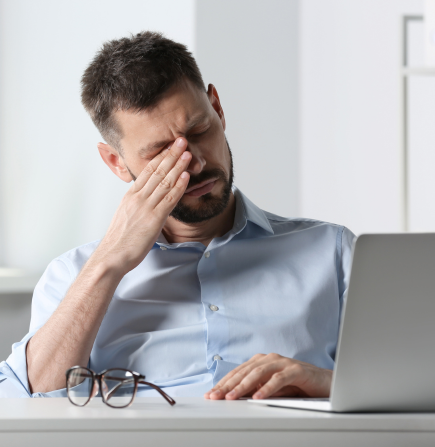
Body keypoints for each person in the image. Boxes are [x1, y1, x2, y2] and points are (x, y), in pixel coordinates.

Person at [0, 31, 354, 399]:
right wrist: (109, 261)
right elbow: (25, 399)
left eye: (199, 131)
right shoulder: (72, 275)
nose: (195, 164)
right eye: (160, 154)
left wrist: (327, 383)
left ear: (217, 108)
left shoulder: (333, 252)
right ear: (116, 162)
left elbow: (411, 383)